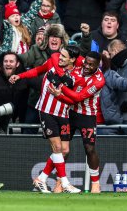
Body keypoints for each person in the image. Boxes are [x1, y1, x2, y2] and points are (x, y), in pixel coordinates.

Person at [9, 46, 82, 193]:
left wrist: (59, 94)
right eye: (60, 54)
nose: (60, 58)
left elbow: (73, 100)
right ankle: (66, 184)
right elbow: (37, 71)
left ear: (72, 60)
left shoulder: (76, 75)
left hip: (63, 114)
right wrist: (20, 76)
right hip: (46, 110)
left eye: (64, 56)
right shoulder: (53, 61)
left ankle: (41, 178)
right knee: (57, 148)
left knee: (65, 150)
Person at [47, 51, 105, 193]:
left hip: (87, 116)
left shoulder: (99, 80)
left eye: (91, 65)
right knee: (62, 150)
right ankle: (60, 182)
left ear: (98, 65)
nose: (87, 66)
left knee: (89, 149)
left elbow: (78, 97)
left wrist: (61, 89)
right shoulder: (77, 69)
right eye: (86, 62)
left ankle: (96, 184)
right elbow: (57, 56)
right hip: (70, 113)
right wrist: (59, 92)